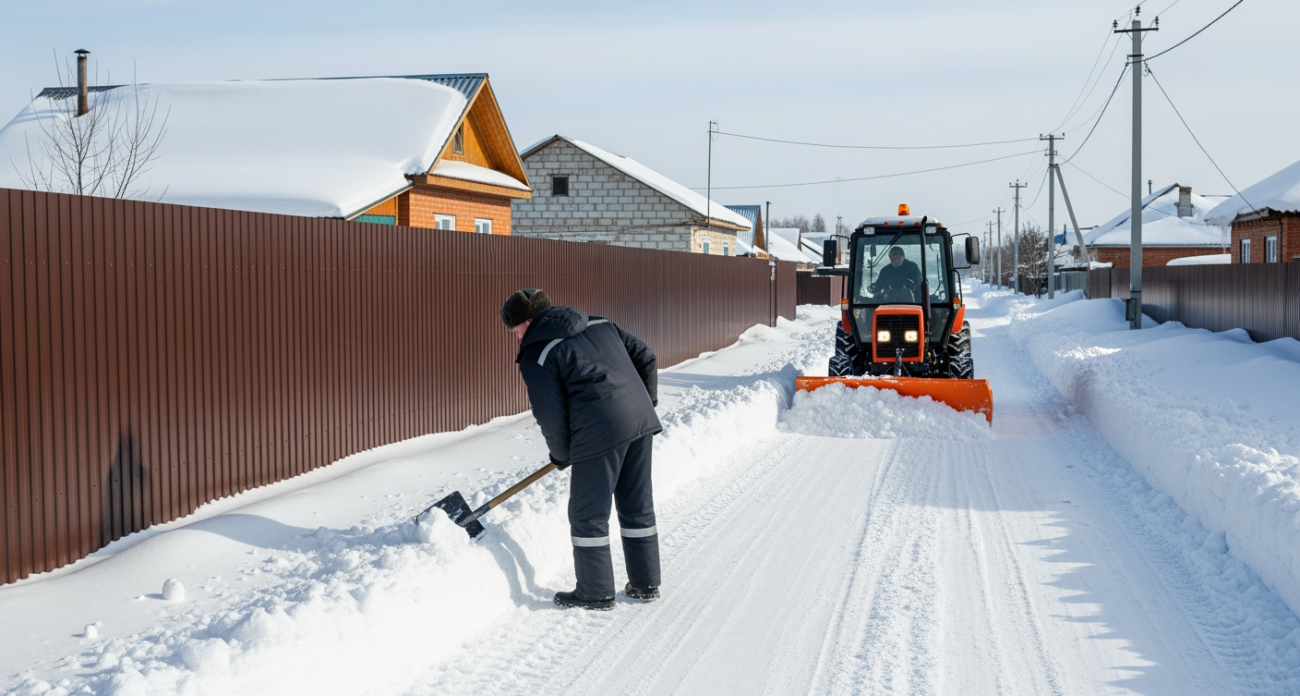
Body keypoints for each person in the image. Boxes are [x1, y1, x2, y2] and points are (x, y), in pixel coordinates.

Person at [500, 288, 663, 611]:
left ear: (529, 323)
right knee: (636, 505)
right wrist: (644, 404)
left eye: (516, 332)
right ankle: (645, 584)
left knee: (587, 515)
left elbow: (550, 414)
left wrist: (561, 454)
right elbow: (646, 357)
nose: (517, 340)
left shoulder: (538, 352)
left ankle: (596, 591)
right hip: (640, 421)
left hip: (598, 431)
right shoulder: (599, 323)